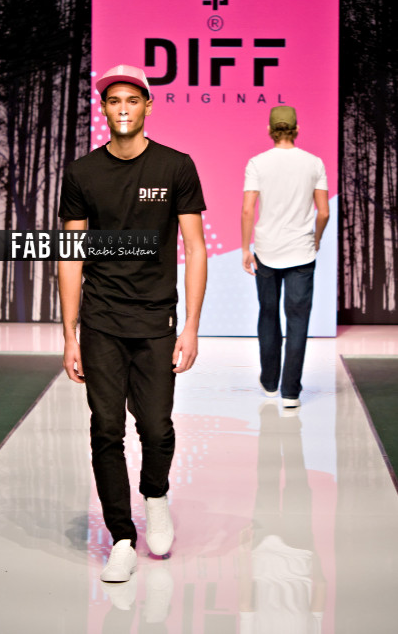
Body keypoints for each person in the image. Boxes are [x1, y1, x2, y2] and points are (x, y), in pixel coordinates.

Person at [58, 65, 207, 582]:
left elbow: (195, 248)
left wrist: (191, 327)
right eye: (114, 100)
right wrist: (69, 334)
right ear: (104, 109)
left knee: (156, 427)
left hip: (155, 319)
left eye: (132, 99)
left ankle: (156, 497)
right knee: (105, 429)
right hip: (101, 319)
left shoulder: (175, 166)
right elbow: (71, 254)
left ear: (148, 106)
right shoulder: (82, 173)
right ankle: (121, 536)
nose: (122, 108)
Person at [241, 106, 330, 408]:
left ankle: (269, 383)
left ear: (270, 130)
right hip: (302, 252)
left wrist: (245, 248)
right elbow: (324, 212)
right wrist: (316, 239)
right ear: (297, 129)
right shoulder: (314, 163)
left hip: (266, 250)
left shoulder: (258, 163)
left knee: (268, 315)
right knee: (298, 320)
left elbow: (248, 210)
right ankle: (290, 391)